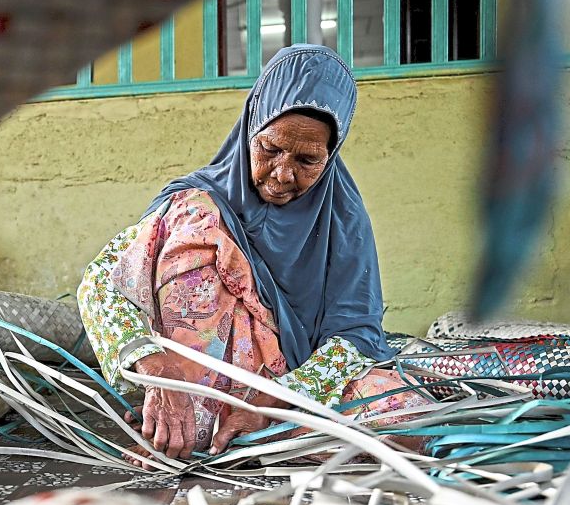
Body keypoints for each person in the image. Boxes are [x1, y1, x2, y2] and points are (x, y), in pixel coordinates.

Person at [78, 44, 426, 464]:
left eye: (308, 160)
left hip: (298, 386)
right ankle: (192, 419)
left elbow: (356, 336)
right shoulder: (195, 204)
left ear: (331, 155)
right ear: (250, 129)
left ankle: (245, 433)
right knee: (196, 220)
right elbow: (102, 283)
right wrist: (157, 370)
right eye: (270, 149)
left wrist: (271, 402)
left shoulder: (343, 221)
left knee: (409, 421)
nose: (283, 174)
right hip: (198, 386)